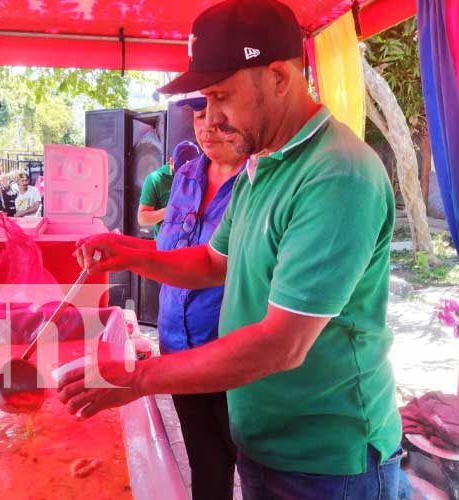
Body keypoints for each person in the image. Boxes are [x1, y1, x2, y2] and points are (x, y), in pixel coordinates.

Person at [59, 1, 402, 499]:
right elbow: (212, 262)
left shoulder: (336, 175)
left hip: (327, 458)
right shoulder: (262, 166)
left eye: (222, 97)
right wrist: (131, 252)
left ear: (280, 77)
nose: (212, 120)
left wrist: (138, 379)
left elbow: (282, 344)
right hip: (266, 440)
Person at [156, 92, 246, 500]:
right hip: (176, 346)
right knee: (205, 466)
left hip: (233, 353)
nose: (207, 125)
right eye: (197, 114)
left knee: (254, 464)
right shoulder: (186, 174)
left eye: (216, 112)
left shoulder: (260, 181)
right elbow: (167, 253)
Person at [137, 140, 200, 238]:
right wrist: (172, 210)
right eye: (180, 171)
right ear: (171, 161)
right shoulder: (156, 179)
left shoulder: (200, 176)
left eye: (190, 171)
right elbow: (143, 218)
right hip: (166, 246)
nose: (184, 176)